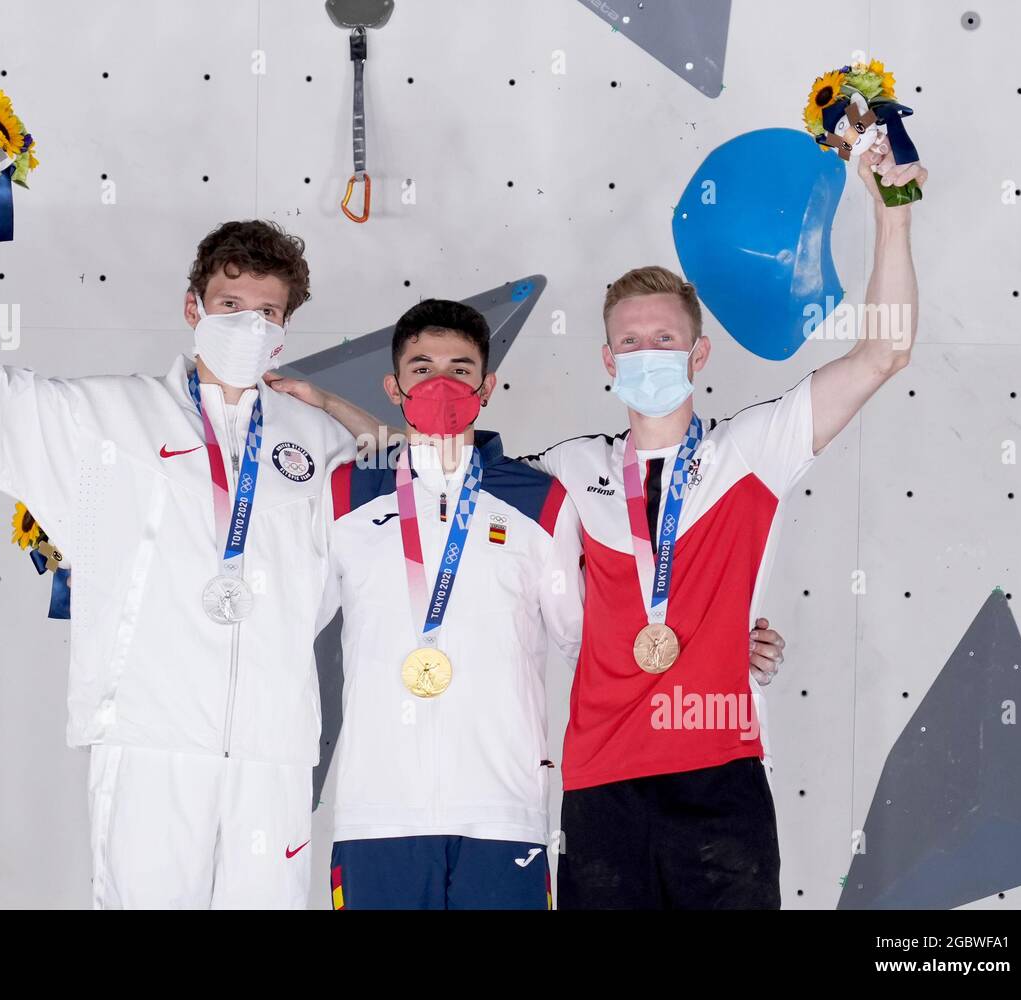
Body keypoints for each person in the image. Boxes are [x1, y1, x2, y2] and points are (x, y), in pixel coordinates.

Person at [273, 135, 918, 908]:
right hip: (600, 788)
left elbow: (884, 353)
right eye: (631, 342)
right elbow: (438, 461)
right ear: (609, 360)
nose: (648, 353)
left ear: (698, 355)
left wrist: (893, 216)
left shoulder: (754, 453)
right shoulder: (566, 476)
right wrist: (337, 412)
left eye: (664, 341)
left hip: (720, 775)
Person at [0, 173, 357, 908]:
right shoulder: (107, 422)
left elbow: (396, 526)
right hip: (151, 737)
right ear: (193, 307)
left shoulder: (319, 443)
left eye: (268, 312)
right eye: (231, 306)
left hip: (273, 752)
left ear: (285, 328)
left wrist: (336, 407)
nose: (249, 326)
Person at [275, 301, 789, 909]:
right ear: (394, 386)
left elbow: (595, 639)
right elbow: (285, 614)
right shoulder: (343, 491)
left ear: (487, 387)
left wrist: (721, 648)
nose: (442, 384)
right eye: (422, 368)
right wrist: (332, 408)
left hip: (506, 814)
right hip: (375, 811)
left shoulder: (540, 500)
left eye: (461, 370)